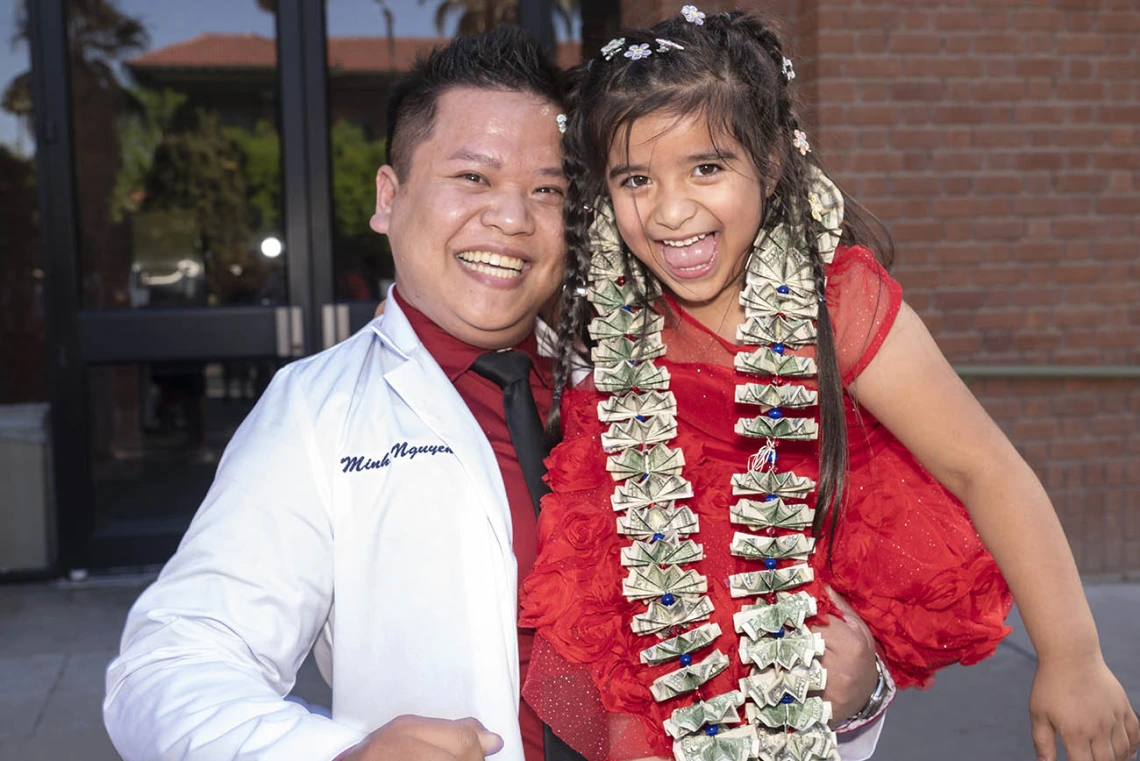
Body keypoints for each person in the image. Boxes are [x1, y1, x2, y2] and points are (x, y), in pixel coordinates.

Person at [100, 26, 881, 761]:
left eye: (547, 191)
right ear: (387, 195)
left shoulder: (643, 379)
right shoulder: (314, 412)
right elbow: (168, 665)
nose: (510, 219)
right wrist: (332, 753)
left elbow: (780, 622)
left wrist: (857, 699)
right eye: (472, 177)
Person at [519, 9, 1140, 761]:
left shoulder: (836, 302)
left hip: (797, 651)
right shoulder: (615, 316)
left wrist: (1073, 656)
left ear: (772, 165)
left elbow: (984, 466)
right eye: (636, 179)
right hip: (655, 635)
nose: (671, 210)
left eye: (706, 168)